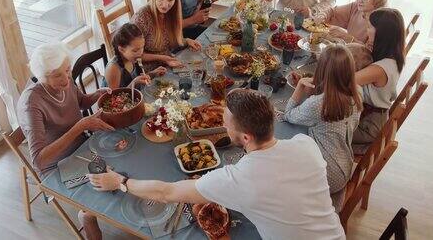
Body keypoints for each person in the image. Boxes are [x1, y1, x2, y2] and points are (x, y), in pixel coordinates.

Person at [88, 89, 345, 240]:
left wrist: (120, 182)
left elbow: (166, 193)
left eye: (226, 123)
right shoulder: (305, 144)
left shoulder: (237, 179)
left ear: (245, 137)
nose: (222, 125)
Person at [17, 42, 114, 240]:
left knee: (123, 158)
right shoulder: (32, 103)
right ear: (43, 77)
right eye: (57, 75)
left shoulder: (66, 78)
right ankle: (86, 215)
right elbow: (39, 160)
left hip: (82, 146)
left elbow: (80, 101)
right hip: (56, 164)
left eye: (67, 71)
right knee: (93, 202)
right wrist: (80, 126)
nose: (66, 78)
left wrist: (96, 95)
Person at [284, 45, 363, 210]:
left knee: (280, 164)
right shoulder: (357, 92)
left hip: (327, 176)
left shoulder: (318, 104)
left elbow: (289, 115)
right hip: (345, 163)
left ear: (321, 71)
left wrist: (299, 87)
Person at [353, 8, 406, 152]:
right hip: (371, 117)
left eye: (370, 26)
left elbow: (344, 80)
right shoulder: (392, 57)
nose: (367, 29)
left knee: (317, 122)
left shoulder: (380, 69)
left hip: (367, 125)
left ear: (382, 33)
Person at [131, 0, 202, 71]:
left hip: (168, 63)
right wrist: (163, 58)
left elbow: (169, 42)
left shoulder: (171, 12)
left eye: (170, 0)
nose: (165, 5)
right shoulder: (141, 18)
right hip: (148, 72)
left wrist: (186, 41)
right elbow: (133, 55)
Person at [325, 0, 389, 49]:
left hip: (360, 58)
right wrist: (320, 16)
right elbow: (332, 12)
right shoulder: (356, 6)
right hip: (348, 52)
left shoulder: (380, 22)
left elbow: (369, 53)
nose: (359, 0)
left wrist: (348, 38)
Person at [104, 23, 167, 88]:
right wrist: (134, 83)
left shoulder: (132, 58)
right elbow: (114, 97)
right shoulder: (113, 69)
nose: (140, 53)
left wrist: (153, 73)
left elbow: (138, 78)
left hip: (134, 94)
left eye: (142, 47)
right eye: (135, 50)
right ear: (121, 49)